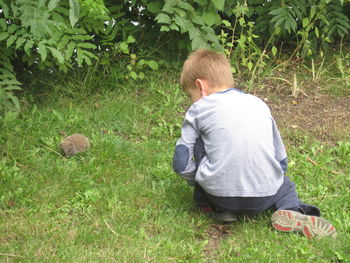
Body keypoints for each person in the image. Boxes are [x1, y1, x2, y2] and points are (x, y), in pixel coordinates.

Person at [172, 48, 336, 239]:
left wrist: (198, 181)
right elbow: (280, 157)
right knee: (286, 185)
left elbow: (181, 161)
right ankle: (291, 209)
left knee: (202, 143)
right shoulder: (258, 104)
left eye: (191, 95)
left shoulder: (199, 108)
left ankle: (213, 208)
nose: (193, 101)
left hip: (218, 196)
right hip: (264, 196)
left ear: (200, 86)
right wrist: (273, 179)